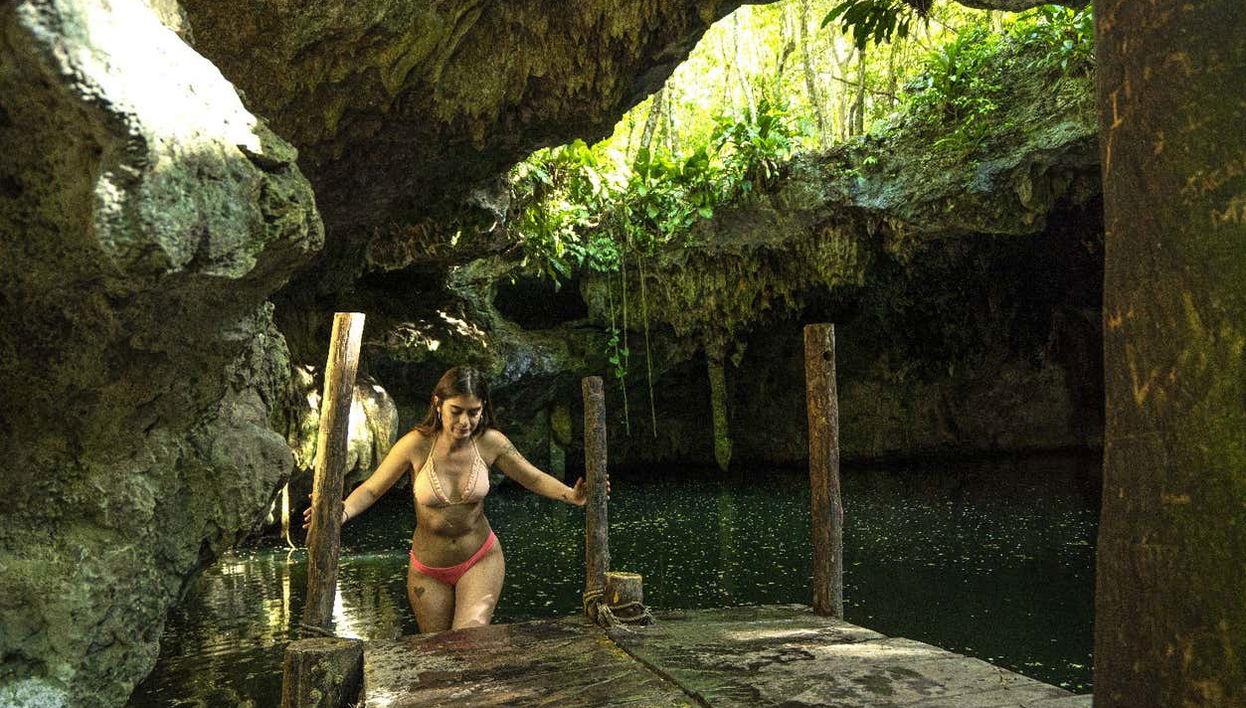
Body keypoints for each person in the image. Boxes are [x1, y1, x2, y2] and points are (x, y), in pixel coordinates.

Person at [303, 365, 604, 633]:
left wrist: (571, 495)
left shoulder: (491, 443)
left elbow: (533, 477)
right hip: (428, 569)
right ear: (438, 405)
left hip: (480, 559)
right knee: (437, 652)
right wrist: (341, 512)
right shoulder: (415, 445)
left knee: (469, 642)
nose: (465, 421)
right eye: (456, 411)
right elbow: (371, 489)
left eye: (473, 412)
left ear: (483, 408)